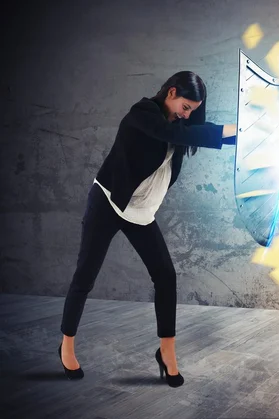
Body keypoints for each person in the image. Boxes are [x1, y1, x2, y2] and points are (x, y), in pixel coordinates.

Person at [58, 71, 237, 388]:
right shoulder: (142, 113)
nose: (187, 115)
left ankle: (167, 352)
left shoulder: (181, 124)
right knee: (85, 274)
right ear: (170, 93)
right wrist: (228, 129)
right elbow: (179, 134)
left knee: (166, 276)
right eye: (185, 107)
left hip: (140, 212)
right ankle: (67, 344)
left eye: (192, 111)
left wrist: (252, 133)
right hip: (110, 202)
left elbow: (198, 132)